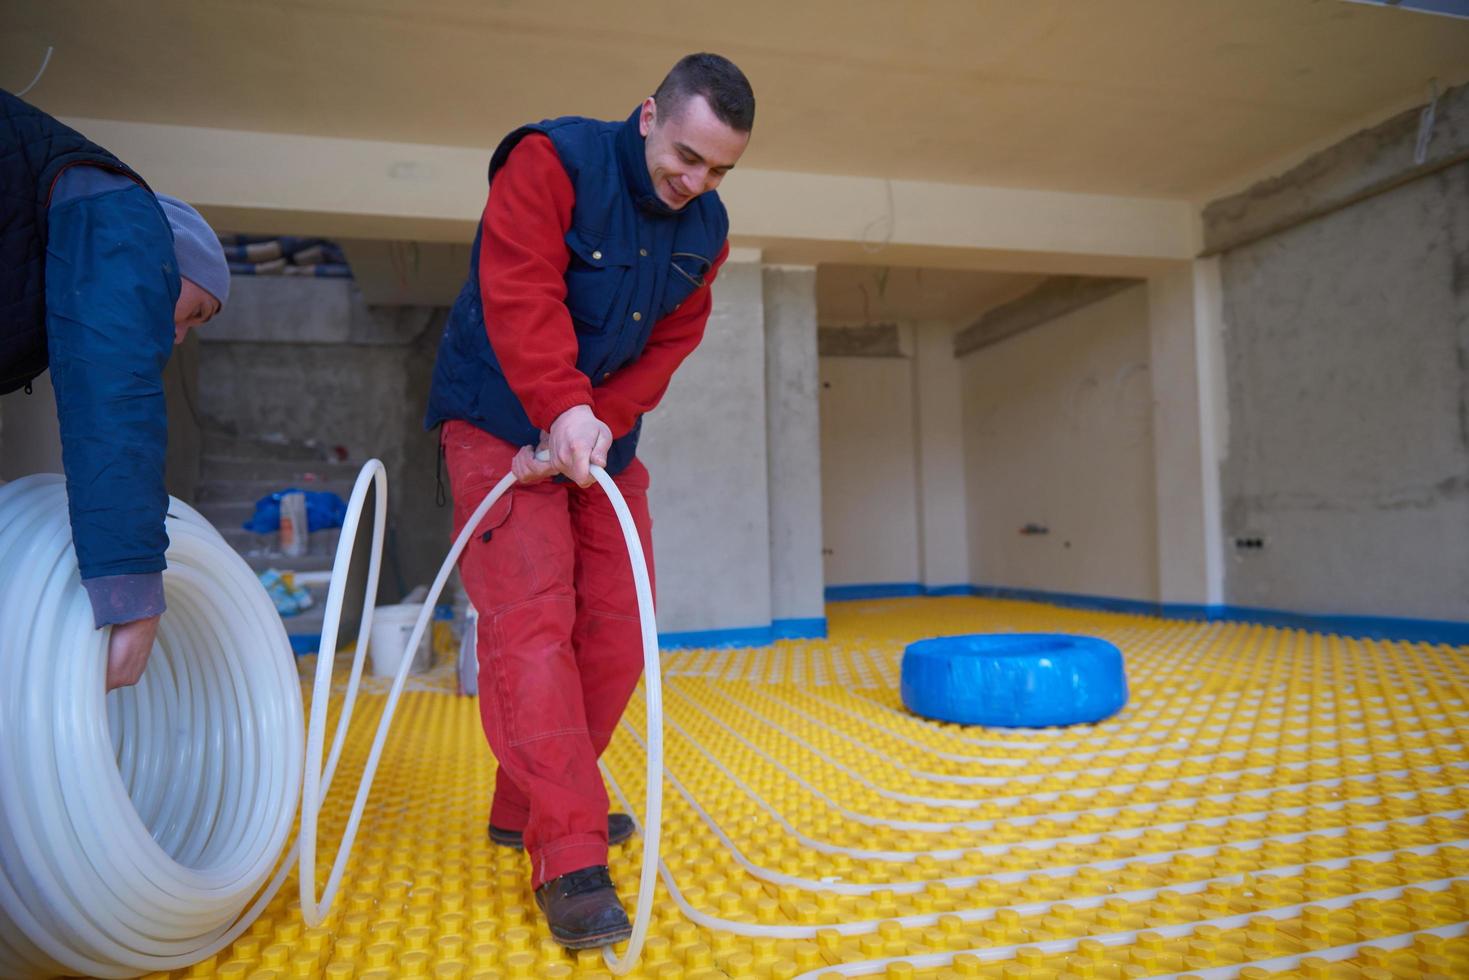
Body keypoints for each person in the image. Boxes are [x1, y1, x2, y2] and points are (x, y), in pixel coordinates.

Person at [424, 53, 754, 948]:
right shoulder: (552, 161)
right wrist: (554, 410)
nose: (696, 182)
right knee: (531, 624)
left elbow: (669, 344)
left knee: (615, 626)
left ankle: (521, 803)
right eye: (686, 155)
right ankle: (567, 854)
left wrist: (591, 424)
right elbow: (519, 288)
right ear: (648, 115)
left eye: (718, 169)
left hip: (600, 438)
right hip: (496, 418)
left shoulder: (706, 228)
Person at [1, 89, 229, 691]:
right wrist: (132, 591)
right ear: (166, 258)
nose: (179, 337)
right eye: (195, 310)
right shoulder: (124, 217)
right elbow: (113, 406)